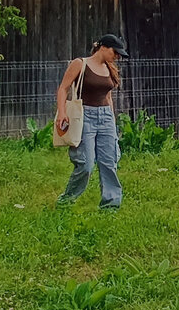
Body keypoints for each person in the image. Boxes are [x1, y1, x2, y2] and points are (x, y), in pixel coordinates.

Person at [54, 33, 129, 210]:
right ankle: (66, 201)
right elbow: (63, 88)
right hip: (84, 116)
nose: (117, 56)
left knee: (109, 162)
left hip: (106, 117)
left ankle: (111, 205)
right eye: (115, 52)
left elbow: (108, 96)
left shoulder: (109, 68)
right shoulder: (80, 63)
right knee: (85, 164)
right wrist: (62, 112)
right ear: (103, 47)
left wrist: (112, 121)